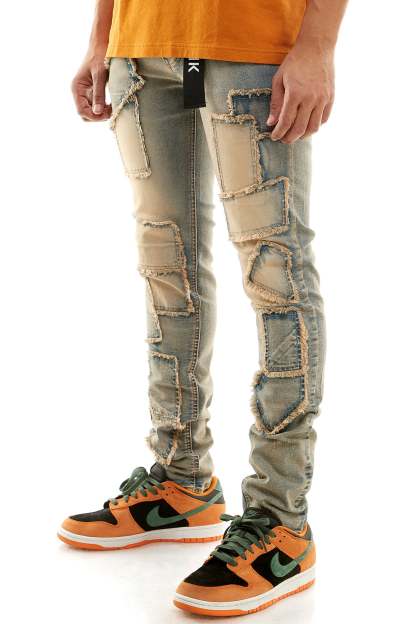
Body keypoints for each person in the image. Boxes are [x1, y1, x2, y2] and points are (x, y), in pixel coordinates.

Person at [58, 0, 348, 616]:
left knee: (277, 274)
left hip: (252, 40)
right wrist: (101, 36)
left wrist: (318, 45)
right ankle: (180, 480)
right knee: (167, 269)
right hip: (141, 45)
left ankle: (281, 523)